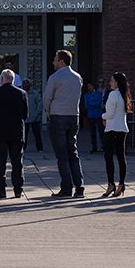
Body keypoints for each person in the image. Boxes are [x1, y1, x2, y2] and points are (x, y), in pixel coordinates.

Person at [44, 49, 84, 198]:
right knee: (73, 152)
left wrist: (47, 111)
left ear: (61, 61)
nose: (53, 62)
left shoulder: (55, 77)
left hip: (58, 116)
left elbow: (47, 97)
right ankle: (79, 187)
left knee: (62, 155)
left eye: (55, 59)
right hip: (74, 116)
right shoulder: (78, 77)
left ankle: (66, 187)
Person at [0, 69, 28, 198]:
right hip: (16, 132)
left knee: (0, 162)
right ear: (13, 80)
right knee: (17, 162)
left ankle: (1, 188)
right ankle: (18, 188)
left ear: (2, 79)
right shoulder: (21, 93)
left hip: (0, 132)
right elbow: (25, 114)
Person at [101, 72, 131, 197]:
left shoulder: (113, 95)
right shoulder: (124, 95)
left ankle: (111, 183)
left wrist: (102, 116)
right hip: (122, 129)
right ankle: (121, 184)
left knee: (108, 157)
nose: (110, 83)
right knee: (121, 157)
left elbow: (110, 113)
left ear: (117, 82)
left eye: (112, 81)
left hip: (112, 129)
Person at [23, 79, 44, 153]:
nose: (25, 85)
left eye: (26, 84)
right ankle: (23, 148)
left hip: (35, 118)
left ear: (29, 85)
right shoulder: (21, 93)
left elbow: (40, 103)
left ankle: (40, 148)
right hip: (25, 118)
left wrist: (37, 113)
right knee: (24, 135)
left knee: (37, 134)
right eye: (24, 84)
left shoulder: (35, 93)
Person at [83, 82, 104, 154]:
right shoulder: (86, 95)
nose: (89, 88)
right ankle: (94, 147)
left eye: (90, 86)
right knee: (92, 132)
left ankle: (103, 146)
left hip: (98, 115)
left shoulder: (98, 93)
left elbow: (99, 103)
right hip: (91, 115)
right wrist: (93, 104)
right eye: (88, 87)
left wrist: (91, 103)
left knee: (101, 131)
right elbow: (86, 105)